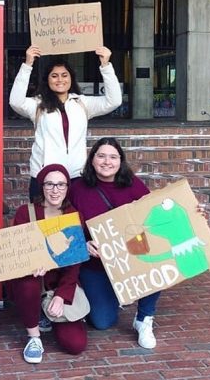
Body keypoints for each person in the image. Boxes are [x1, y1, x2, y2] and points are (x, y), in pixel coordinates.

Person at [69, 137, 160, 349]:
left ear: (121, 160)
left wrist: (194, 213)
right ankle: (116, 294)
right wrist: (84, 244)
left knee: (159, 260)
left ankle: (144, 318)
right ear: (92, 160)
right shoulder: (78, 188)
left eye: (113, 156)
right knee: (102, 322)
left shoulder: (133, 184)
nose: (106, 161)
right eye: (101, 156)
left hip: (132, 256)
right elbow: (67, 227)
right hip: (96, 264)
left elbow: (153, 217)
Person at [9, 45, 122, 200]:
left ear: (71, 78)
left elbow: (114, 101)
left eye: (64, 75)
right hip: (45, 176)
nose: (60, 79)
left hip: (77, 175)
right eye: (54, 76)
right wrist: (27, 64)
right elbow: (15, 101)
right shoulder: (37, 104)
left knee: (77, 220)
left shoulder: (82, 103)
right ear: (47, 79)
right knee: (46, 222)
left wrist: (106, 65)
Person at [8, 164, 87, 364]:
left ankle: (49, 310)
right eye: (49, 184)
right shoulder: (26, 213)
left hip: (58, 284)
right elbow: (17, 253)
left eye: (61, 184)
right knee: (28, 283)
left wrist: (61, 296)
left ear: (68, 187)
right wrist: (31, 263)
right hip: (32, 279)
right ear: (41, 186)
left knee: (75, 344)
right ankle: (34, 336)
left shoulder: (74, 215)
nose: (55, 190)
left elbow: (74, 265)